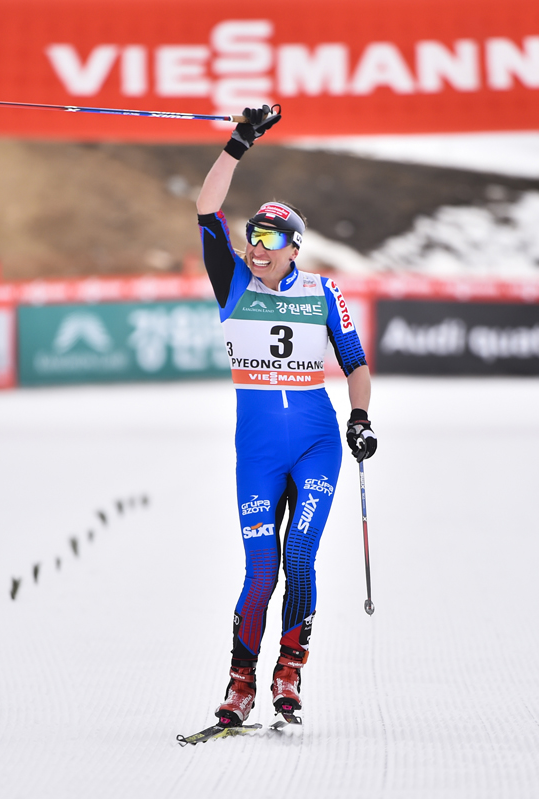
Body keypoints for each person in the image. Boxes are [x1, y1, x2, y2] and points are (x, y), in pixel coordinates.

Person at [195, 105, 378, 727]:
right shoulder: (233, 285)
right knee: (260, 571)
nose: (255, 248)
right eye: (253, 236)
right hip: (259, 454)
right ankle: (240, 676)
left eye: (270, 240)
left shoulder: (323, 293)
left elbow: (355, 366)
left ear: (294, 248)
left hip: (316, 445)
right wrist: (238, 143)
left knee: (300, 554)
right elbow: (206, 208)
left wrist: (360, 419)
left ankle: (288, 667)